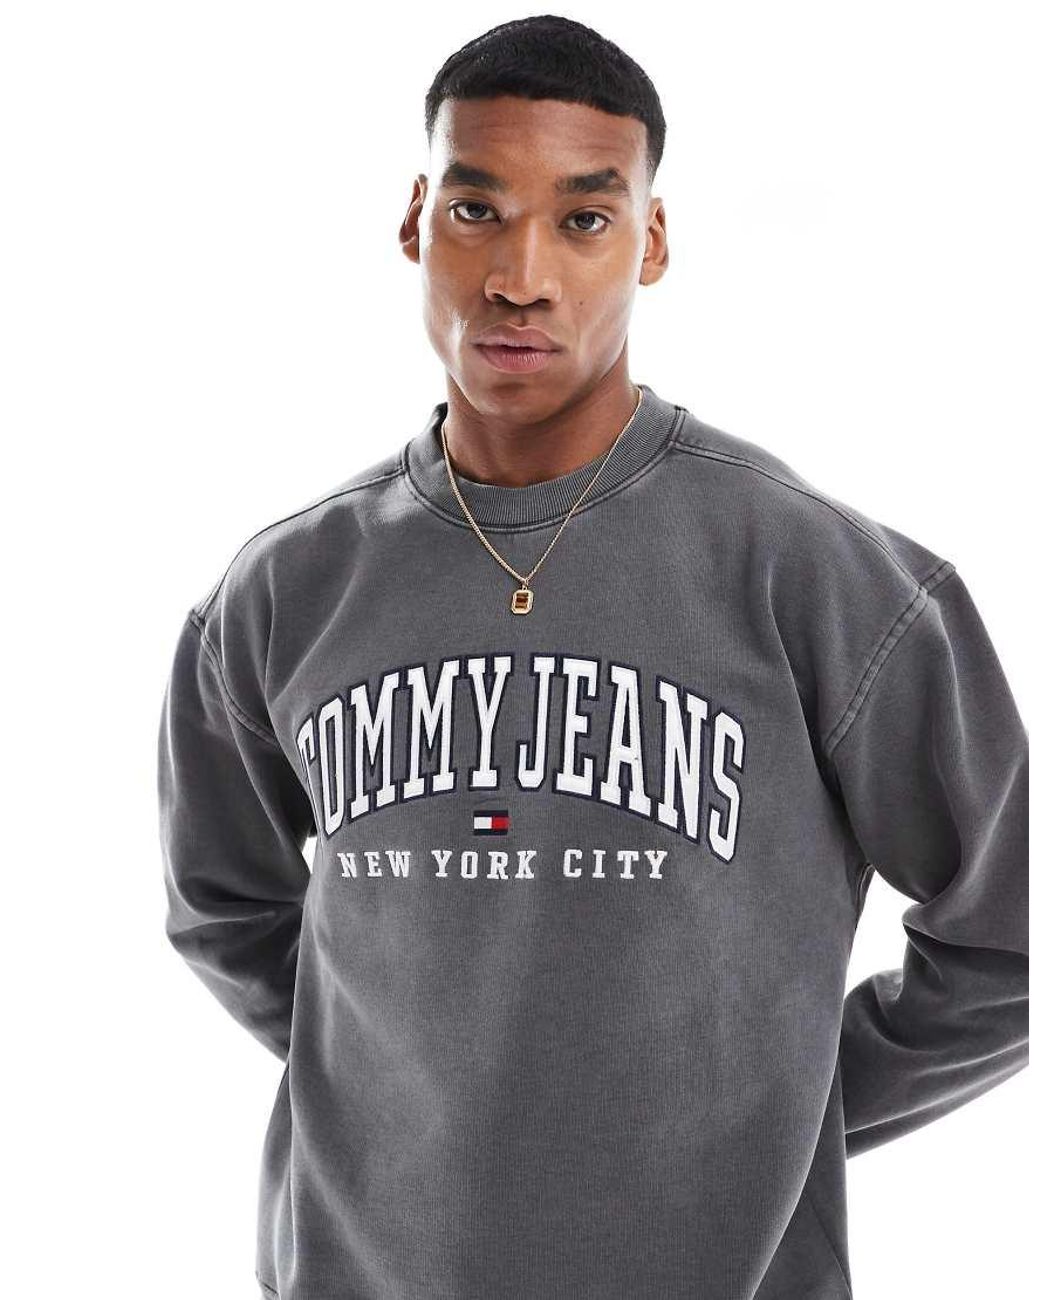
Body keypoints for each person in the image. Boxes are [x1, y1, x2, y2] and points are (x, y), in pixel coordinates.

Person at [156, 15, 1029, 1299]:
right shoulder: (281, 590)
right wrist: (407, 1095)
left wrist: (775, 1113)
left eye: (582, 218)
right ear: (413, 222)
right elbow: (224, 907)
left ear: (650, 241)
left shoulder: (817, 576)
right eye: (475, 210)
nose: (521, 277)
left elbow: (1010, 939)